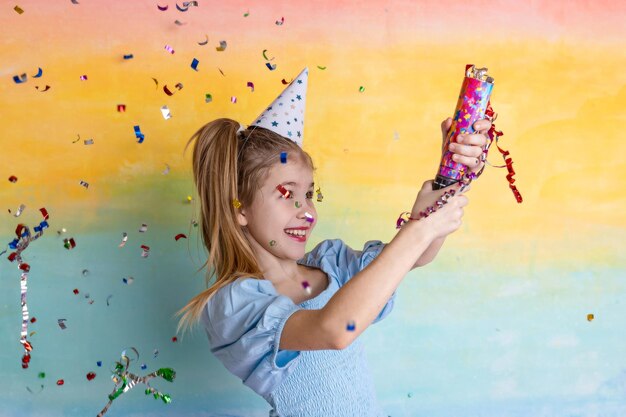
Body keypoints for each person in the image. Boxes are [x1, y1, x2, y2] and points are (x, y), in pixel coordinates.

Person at [177, 68, 490, 417]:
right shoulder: (235, 305)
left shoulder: (331, 264)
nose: (306, 211)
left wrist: (452, 174)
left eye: (309, 194)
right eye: (286, 194)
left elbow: (413, 257)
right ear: (240, 207)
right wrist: (418, 229)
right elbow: (337, 330)